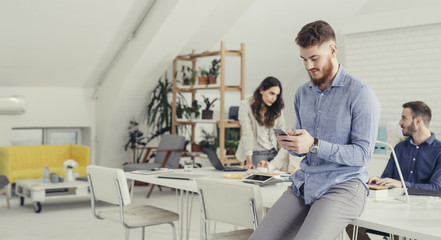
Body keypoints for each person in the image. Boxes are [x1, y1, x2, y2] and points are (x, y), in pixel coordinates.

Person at [249, 20, 380, 240]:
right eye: (304, 59)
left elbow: (362, 155)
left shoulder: (360, 94)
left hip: (344, 185)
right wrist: (294, 146)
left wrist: (314, 145)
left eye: (314, 58)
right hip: (305, 183)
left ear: (333, 50)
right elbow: (303, 150)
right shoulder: (302, 94)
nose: (308, 66)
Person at [346, 101, 441, 240]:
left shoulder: (439, 151)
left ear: (418, 121)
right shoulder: (399, 147)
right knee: (348, 219)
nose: (399, 122)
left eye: (404, 118)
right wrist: (379, 180)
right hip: (393, 207)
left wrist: (402, 185)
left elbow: (437, 188)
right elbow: (387, 177)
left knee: (400, 231)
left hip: (421, 212)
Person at [235, 76, 285, 170]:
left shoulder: (277, 108)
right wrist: (249, 161)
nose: (274, 98)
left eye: (277, 95)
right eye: (271, 93)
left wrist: (281, 162)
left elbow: (281, 134)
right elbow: (247, 132)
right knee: (259, 181)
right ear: (262, 90)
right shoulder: (245, 105)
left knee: (278, 182)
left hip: (274, 153)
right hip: (257, 154)